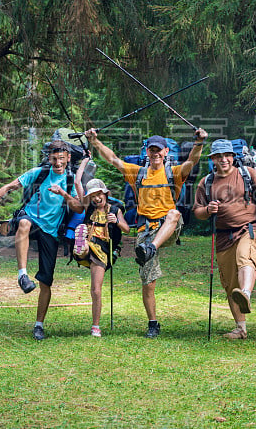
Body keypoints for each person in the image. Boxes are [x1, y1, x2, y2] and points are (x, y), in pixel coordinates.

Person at [85, 128, 208, 338]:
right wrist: (95, 142)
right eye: (151, 150)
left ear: (166, 151)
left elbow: (192, 162)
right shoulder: (138, 173)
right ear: (147, 153)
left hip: (169, 228)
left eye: (158, 150)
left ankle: (151, 247)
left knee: (174, 213)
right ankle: (153, 323)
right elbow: (113, 159)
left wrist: (199, 142)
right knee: (148, 282)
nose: (155, 154)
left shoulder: (174, 172)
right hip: (145, 230)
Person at [0, 140, 83, 340]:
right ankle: (22, 275)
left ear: (68, 158)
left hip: (50, 230)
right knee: (23, 224)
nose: (57, 162)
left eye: (61, 158)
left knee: (46, 281)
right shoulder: (39, 173)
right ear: (49, 158)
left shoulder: (71, 179)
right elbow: (9, 187)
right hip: (31, 218)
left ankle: (39, 324)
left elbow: (79, 208)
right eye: (54, 158)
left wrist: (63, 194)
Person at [192, 139, 256, 340]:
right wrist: (207, 210)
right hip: (222, 235)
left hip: (250, 227)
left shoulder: (248, 174)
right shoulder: (206, 182)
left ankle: (245, 292)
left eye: (227, 155)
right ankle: (240, 328)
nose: (224, 159)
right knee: (229, 283)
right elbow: (197, 212)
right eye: (219, 156)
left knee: (244, 258)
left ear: (233, 157)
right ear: (212, 159)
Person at [72, 163, 130, 337]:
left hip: (104, 250)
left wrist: (116, 221)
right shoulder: (88, 207)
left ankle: (95, 326)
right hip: (89, 243)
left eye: (99, 194)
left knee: (96, 290)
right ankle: (80, 245)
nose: (96, 198)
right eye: (93, 196)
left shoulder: (115, 209)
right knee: (83, 248)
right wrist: (85, 160)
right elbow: (77, 183)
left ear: (105, 194)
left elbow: (126, 229)